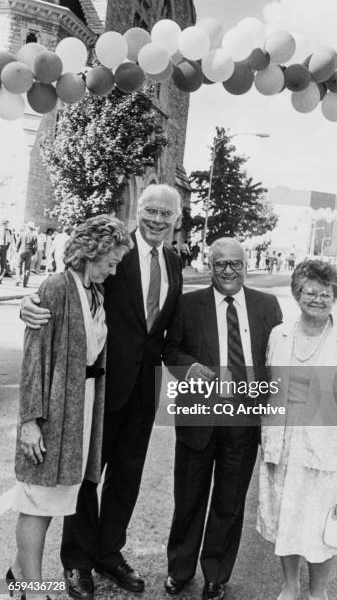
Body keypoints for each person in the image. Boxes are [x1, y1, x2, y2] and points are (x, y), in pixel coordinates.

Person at [21, 184, 183, 599]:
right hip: (101, 386)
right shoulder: (116, 253)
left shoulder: (174, 263)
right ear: (139, 211)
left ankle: (109, 553)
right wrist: (31, 304)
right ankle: (76, 563)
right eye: (150, 210)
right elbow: (67, 292)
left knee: (126, 480)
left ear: (176, 218)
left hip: (144, 389)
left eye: (166, 213)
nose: (157, 220)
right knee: (86, 477)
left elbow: (165, 333)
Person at [8, 215, 130, 600]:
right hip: (53, 410)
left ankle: (16, 575)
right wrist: (30, 420)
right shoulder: (57, 287)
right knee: (37, 499)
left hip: (81, 407)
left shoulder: (94, 291)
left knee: (55, 498)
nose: (114, 269)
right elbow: (34, 358)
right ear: (91, 251)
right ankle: (32, 589)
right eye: (111, 260)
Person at [163, 238, 282, 600]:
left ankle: (216, 573)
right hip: (199, 416)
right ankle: (180, 570)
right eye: (220, 264)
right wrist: (190, 367)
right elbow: (170, 351)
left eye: (235, 264)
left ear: (246, 265)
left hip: (243, 419)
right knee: (189, 498)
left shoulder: (267, 305)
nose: (228, 271)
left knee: (230, 502)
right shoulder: (188, 304)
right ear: (209, 265)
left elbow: (279, 355)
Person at [257, 259, 337, 600]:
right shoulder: (279, 334)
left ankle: (318, 591)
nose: (318, 299)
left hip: (329, 447)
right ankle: (290, 586)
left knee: (323, 522)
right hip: (282, 443)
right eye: (310, 292)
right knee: (285, 517)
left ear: (335, 296)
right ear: (297, 294)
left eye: (326, 293)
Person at [16, 222, 38, 287]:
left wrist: (17, 250)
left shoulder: (22, 234)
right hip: (29, 251)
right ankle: (25, 283)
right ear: (32, 229)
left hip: (21, 250)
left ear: (27, 227)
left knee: (18, 266)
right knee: (27, 268)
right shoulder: (34, 236)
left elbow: (18, 243)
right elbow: (36, 246)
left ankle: (18, 279)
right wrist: (33, 252)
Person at [0, 218, 12, 284]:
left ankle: (0, 279)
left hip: (4, 248)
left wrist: (6, 248)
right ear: (3, 224)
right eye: (6, 224)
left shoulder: (8, 231)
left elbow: (9, 241)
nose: (7, 226)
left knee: (3, 263)